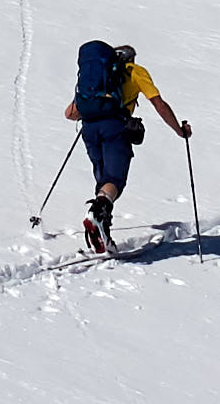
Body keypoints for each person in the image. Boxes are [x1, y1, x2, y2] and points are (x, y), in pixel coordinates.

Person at [62, 39, 190, 256]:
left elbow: (70, 114)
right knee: (115, 180)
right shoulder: (135, 71)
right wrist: (179, 130)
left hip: (90, 130)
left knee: (104, 182)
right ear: (130, 58)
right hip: (115, 127)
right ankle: (97, 214)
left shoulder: (97, 80)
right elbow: (158, 103)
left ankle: (102, 231)